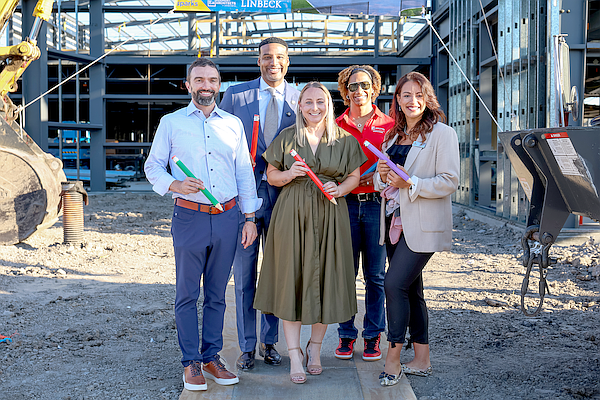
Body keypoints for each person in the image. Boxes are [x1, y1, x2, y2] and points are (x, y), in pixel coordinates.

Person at [144, 58, 261, 391]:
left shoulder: (233, 125)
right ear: (188, 85)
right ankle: (190, 362)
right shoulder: (171, 123)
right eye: (199, 80)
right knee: (186, 294)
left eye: (211, 80)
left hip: (227, 217)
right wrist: (176, 184)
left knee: (217, 294)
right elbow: (153, 167)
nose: (206, 86)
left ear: (219, 85)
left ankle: (211, 357)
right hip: (189, 217)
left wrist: (249, 218)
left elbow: (244, 172)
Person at [253, 82, 367, 384]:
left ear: (328, 105)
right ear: (300, 106)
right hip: (292, 214)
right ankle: (294, 355)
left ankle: (314, 348)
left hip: (330, 214)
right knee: (291, 280)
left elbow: (355, 176)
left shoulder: (344, 139)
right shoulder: (287, 137)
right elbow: (270, 175)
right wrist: (289, 173)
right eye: (308, 102)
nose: (315, 107)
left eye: (320, 102)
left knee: (325, 280)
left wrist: (340, 188)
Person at [374, 71, 459, 386]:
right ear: (397, 99)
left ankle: (393, 358)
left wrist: (410, 183)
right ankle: (422, 359)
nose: (412, 101)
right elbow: (383, 182)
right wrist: (382, 175)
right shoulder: (392, 136)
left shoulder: (442, 134)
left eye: (419, 95)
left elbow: (449, 181)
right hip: (394, 224)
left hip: (422, 225)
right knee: (411, 289)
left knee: (393, 285)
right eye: (406, 95)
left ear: (428, 99)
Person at [220, 37, 300, 371]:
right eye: (267, 56)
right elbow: (219, 142)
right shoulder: (235, 96)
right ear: (258, 61)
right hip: (245, 200)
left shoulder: (301, 99)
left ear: (287, 62)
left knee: (276, 273)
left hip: (286, 198)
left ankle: (270, 342)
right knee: (244, 275)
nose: (273, 62)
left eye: (279, 57)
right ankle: (246, 346)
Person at [334, 65, 394, 361]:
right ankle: (346, 334)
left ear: (375, 88)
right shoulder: (335, 125)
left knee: (375, 275)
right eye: (353, 86)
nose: (359, 91)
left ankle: (373, 335)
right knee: (345, 274)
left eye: (365, 85)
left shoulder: (390, 125)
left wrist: (378, 178)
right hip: (344, 205)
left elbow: (397, 165)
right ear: (345, 91)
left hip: (375, 204)